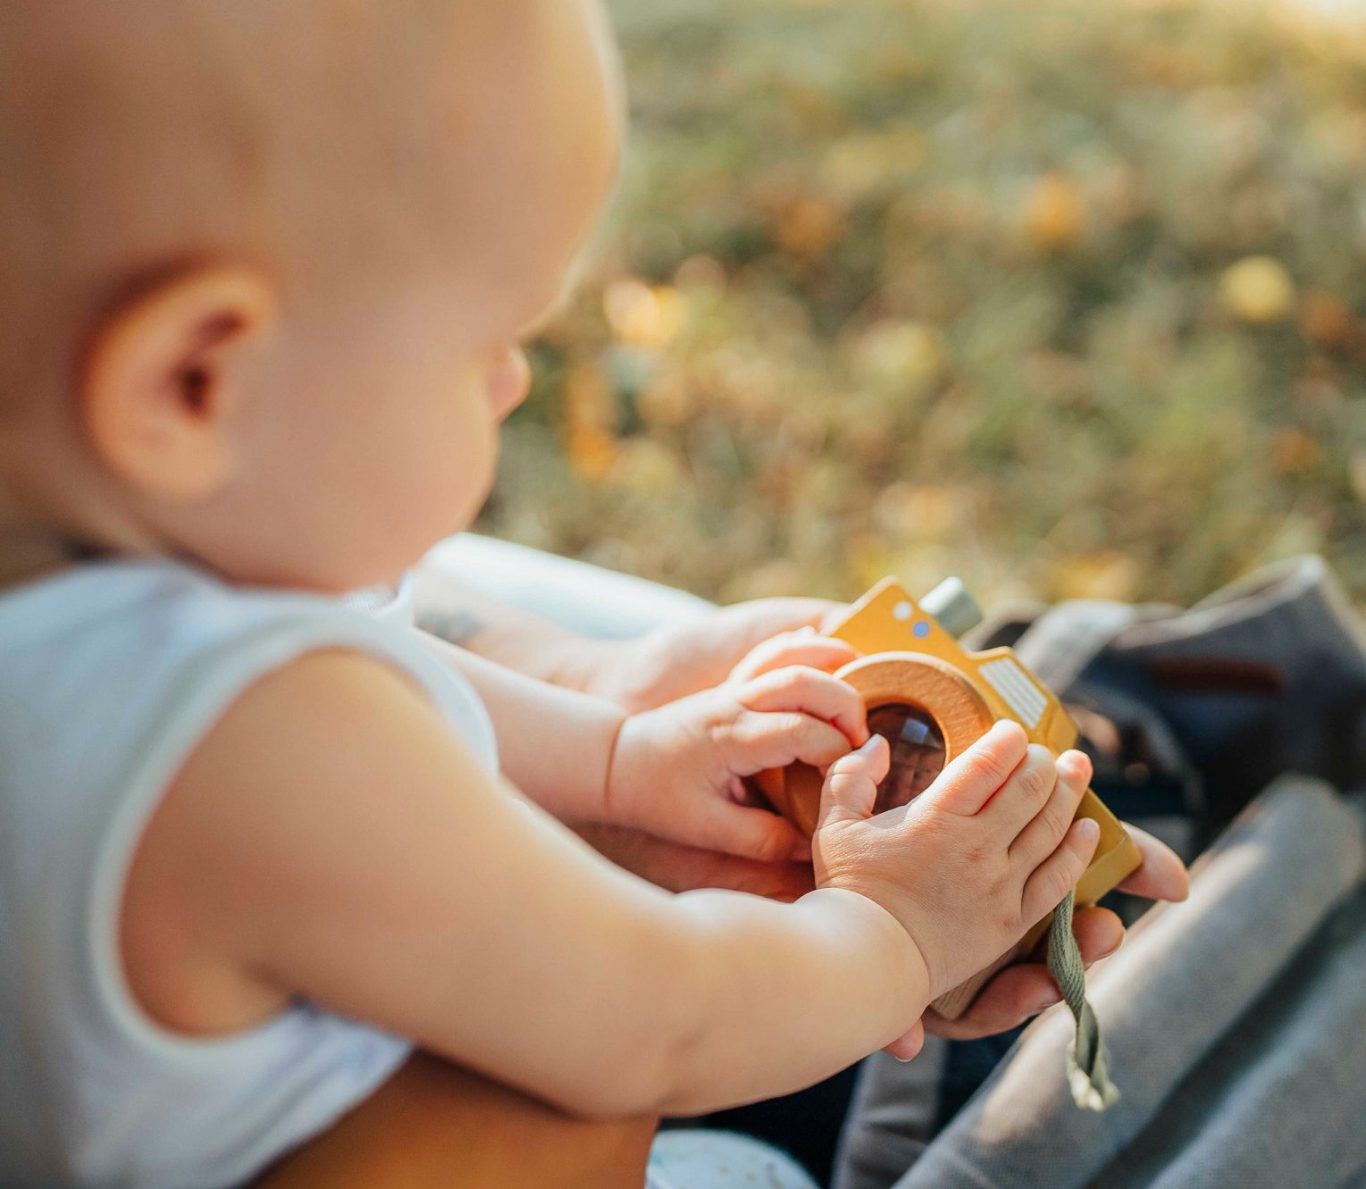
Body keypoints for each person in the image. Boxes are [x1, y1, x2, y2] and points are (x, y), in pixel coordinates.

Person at [0, 3, 1186, 1187]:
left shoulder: (91, 608)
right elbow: (658, 1018)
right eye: (486, 347)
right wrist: (896, 930)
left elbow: (363, 661)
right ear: (195, 384)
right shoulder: (250, 747)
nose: (513, 382)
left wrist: (616, 750)